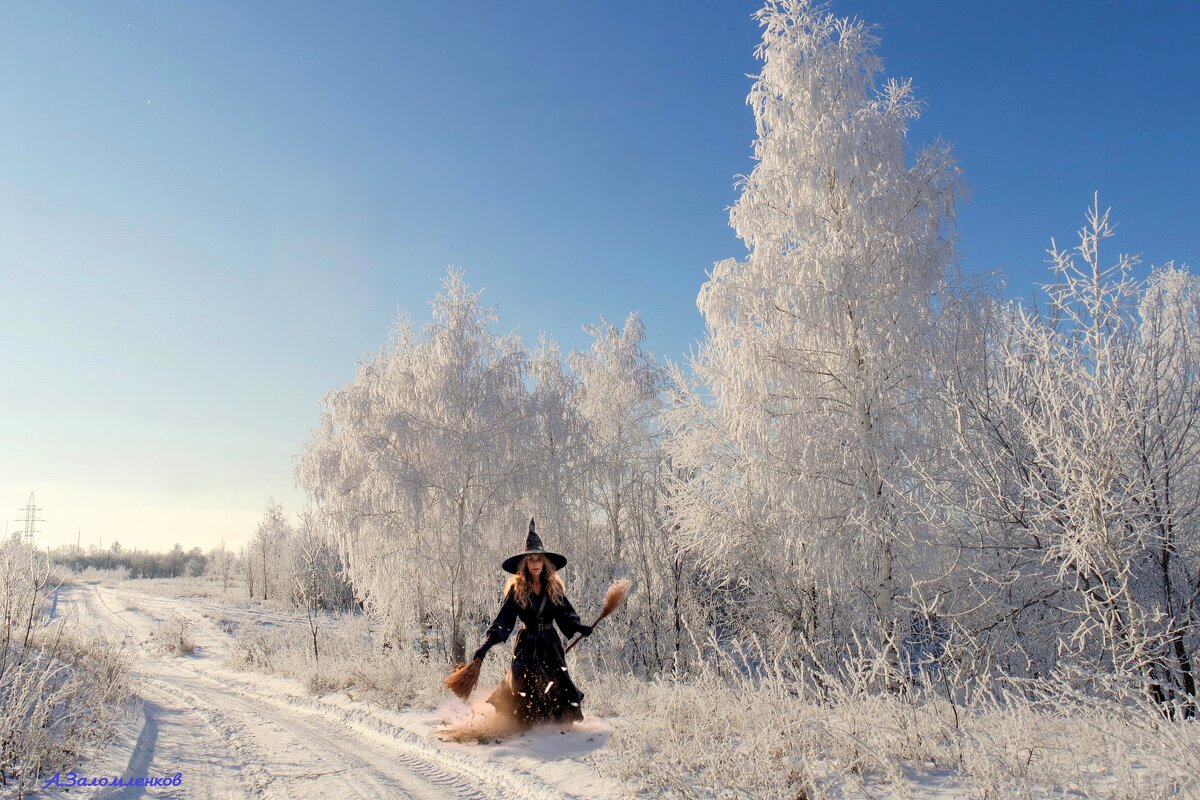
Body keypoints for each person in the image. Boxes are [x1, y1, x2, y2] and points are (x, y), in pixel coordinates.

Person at [473, 518, 593, 725]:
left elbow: (565, 613)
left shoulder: (554, 587)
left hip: (550, 643)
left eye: (539, 559)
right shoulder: (517, 589)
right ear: (525, 564)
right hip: (526, 644)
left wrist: (578, 626)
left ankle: (558, 728)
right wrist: (486, 645)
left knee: (558, 682)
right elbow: (505, 619)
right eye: (531, 560)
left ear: (544, 562)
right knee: (521, 683)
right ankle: (523, 727)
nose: (536, 563)